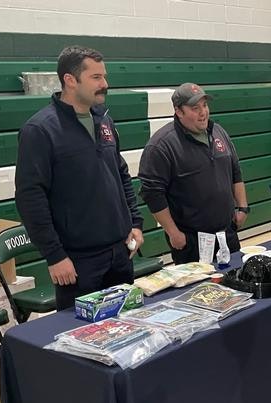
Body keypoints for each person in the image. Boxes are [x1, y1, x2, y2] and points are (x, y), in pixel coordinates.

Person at [15, 46, 143, 310]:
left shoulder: (105, 121)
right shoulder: (39, 130)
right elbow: (31, 198)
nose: (104, 84)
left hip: (120, 253)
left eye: (104, 76)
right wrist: (54, 256)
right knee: (82, 343)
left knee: (128, 329)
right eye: (96, 77)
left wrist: (135, 223)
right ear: (70, 80)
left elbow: (120, 174)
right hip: (78, 263)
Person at [139, 83, 246, 263]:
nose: (203, 112)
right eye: (195, 108)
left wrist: (243, 207)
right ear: (179, 111)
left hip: (227, 234)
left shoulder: (218, 132)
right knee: (200, 291)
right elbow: (152, 194)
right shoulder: (161, 145)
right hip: (191, 242)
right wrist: (173, 233)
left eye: (204, 105)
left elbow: (235, 170)